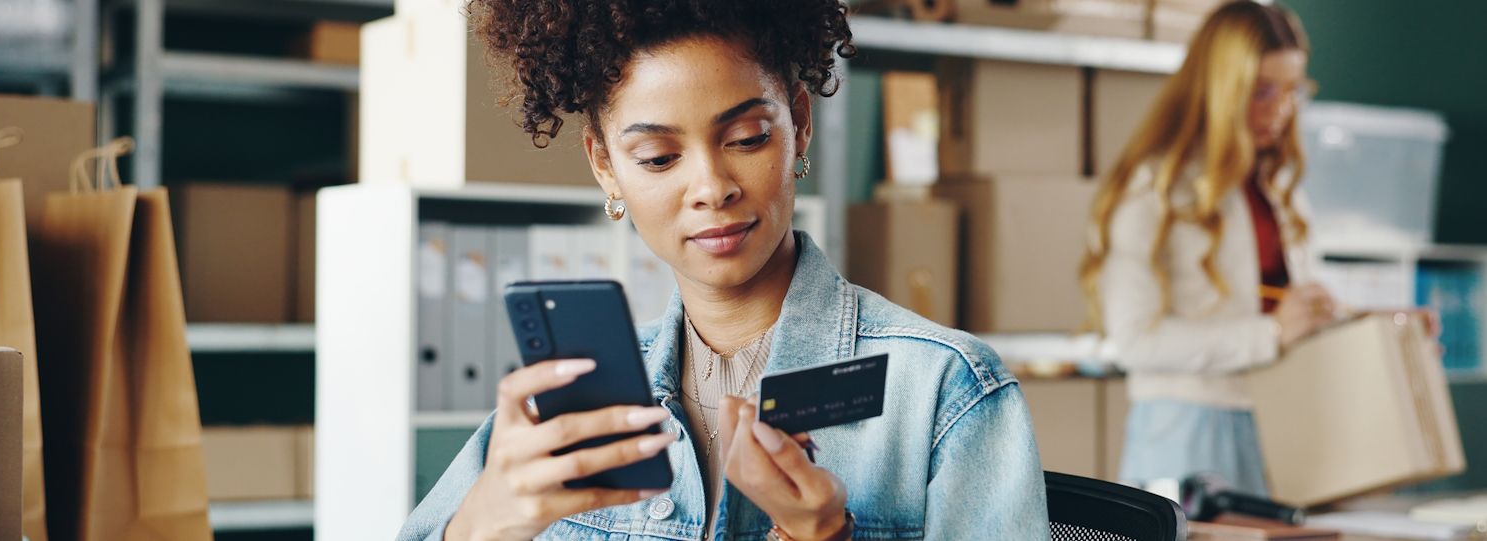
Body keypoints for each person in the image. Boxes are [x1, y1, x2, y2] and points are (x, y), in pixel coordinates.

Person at [397, 1, 1048, 540]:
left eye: (745, 139)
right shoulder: (562, 412)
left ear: (799, 122)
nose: (710, 187)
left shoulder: (947, 394)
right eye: (657, 157)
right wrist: (479, 523)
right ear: (604, 164)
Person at [1079, 1, 1334, 497]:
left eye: (1291, 91)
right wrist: (1270, 334)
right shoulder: (1154, 189)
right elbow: (1135, 341)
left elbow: (1285, 313)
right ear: (1221, 89)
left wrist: (1383, 329)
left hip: (1277, 423)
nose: (1280, 111)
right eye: (1262, 91)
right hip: (1186, 433)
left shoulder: (1277, 187)